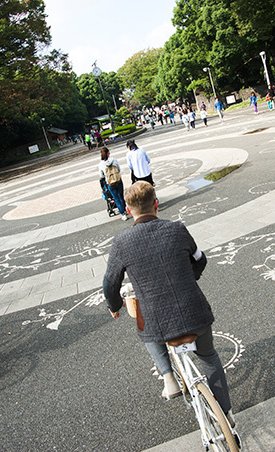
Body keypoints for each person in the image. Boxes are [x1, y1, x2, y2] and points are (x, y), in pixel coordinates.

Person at [102, 181, 234, 424]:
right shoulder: (177, 229)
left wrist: (114, 306)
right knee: (208, 356)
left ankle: (169, 378)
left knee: (146, 325)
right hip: (195, 311)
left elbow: (110, 284)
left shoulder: (121, 243)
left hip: (157, 322)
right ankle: (226, 412)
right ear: (156, 204)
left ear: (129, 210)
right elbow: (200, 260)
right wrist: (188, 275)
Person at [98, 147, 129, 221]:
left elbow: (101, 175)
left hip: (110, 183)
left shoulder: (101, 164)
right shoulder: (114, 160)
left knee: (116, 198)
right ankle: (125, 209)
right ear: (108, 153)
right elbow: (119, 169)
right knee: (121, 196)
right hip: (118, 180)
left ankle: (123, 214)